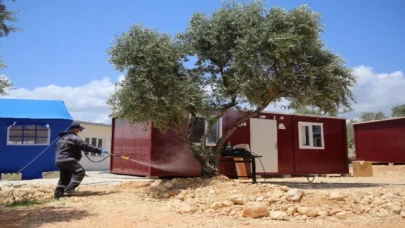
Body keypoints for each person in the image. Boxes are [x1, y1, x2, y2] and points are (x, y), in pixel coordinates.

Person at [53, 122, 109, 199]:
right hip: (68, 159)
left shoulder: (62, 137)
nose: (80, 131)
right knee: (80, 172)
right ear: (75, 130)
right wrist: (100, 150)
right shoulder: (74, 138)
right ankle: (69, 190)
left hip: (59, 160)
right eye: (79, 130)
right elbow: (86, 146)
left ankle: (58, 195)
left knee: (64, 178)